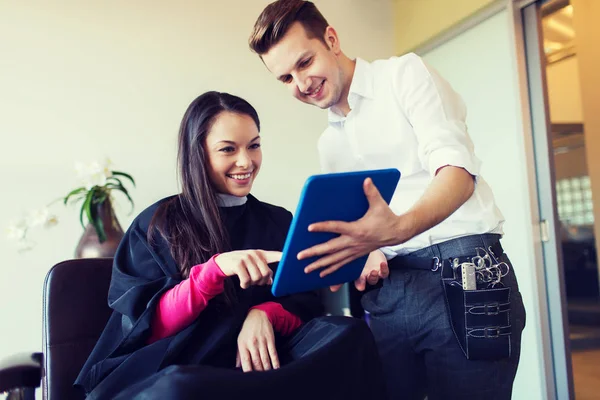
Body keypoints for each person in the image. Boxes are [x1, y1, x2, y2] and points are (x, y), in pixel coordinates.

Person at [249, 1, 527, 399]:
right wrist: (369, 253)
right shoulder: (329, 143)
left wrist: (396, 230)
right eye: (286, 78)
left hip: (463, 273)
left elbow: (458, 175)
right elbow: (367, 229)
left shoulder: (404, 74)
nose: (301, 83)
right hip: (389, 296)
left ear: (331, 39)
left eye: (305, 62)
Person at [75, 91, 386, 400]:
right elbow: (148, 328)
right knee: (178, 388)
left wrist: (264, 313)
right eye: (228, 149)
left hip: (265, 366)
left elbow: (305, 306)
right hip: (189, 368)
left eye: (254, 146)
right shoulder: (159, 224)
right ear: (198, 153)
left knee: (350, 334)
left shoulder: (277, 220)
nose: (245, 161)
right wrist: (213, 271)